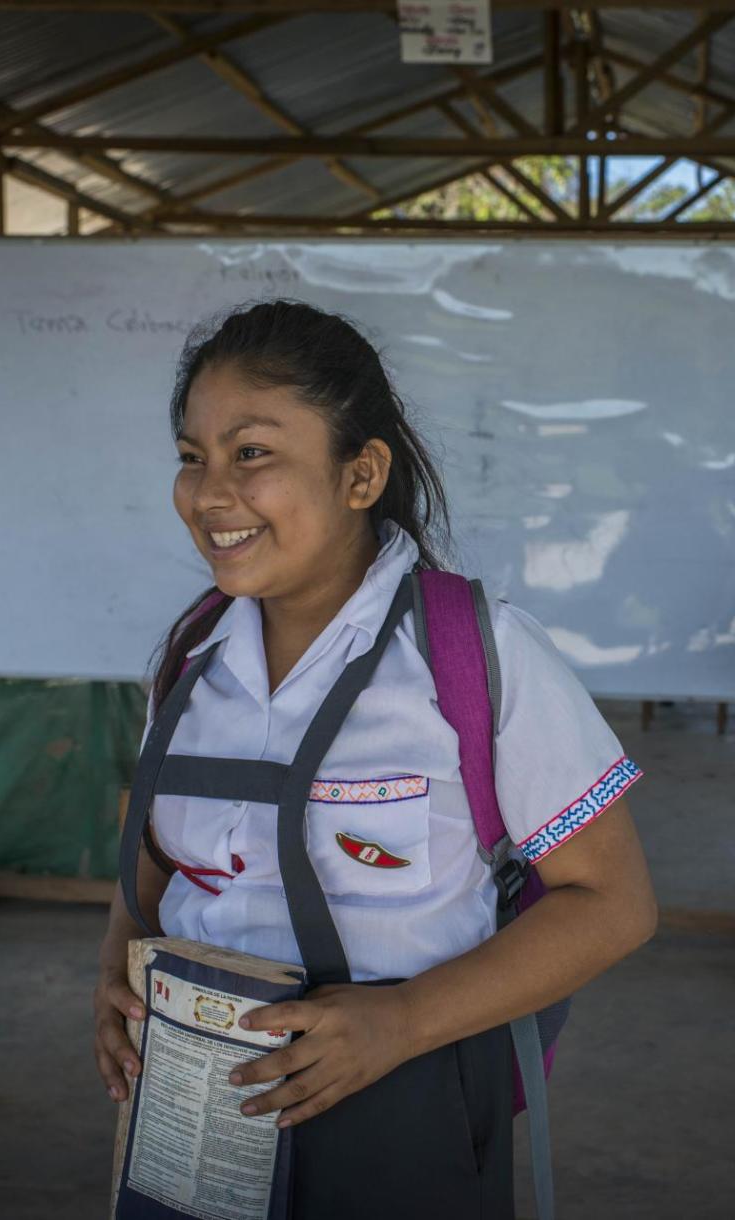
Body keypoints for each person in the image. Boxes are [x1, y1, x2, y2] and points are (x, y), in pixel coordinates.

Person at [90, 301, 658, 1218]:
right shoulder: (189, 660)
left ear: (361, 475)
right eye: (193, 457)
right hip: (194, 1101)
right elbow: (153, 853)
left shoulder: (475, 654)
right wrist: (117, 965)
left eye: (252, 453)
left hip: (404, 1098)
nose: (208, 493)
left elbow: (615, 905)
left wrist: (403, 1022)